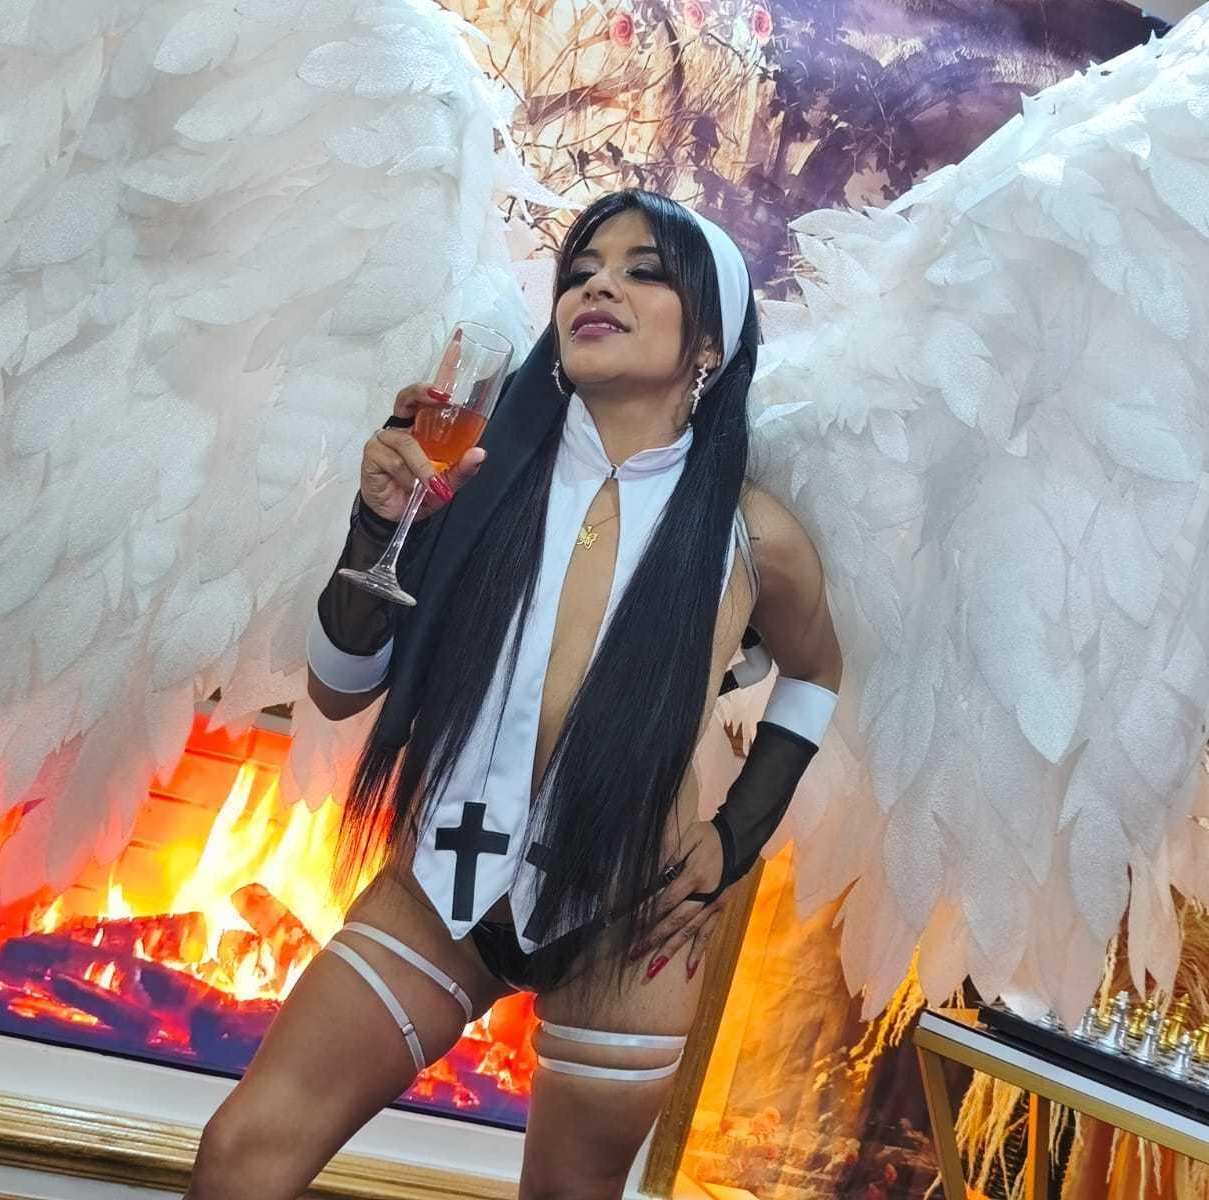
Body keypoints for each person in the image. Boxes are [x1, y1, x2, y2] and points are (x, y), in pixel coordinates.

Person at [186, 189, 842, 1200]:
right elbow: (339, 685)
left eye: (641, 271)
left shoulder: (754, 537)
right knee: (241, 1155)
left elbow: (817, 674)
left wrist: (733, 838)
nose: (597, 286)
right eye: (581, 270)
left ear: (710, 340)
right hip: (438, 887)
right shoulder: (473, 472)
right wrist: (378, 526)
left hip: (628, 928)